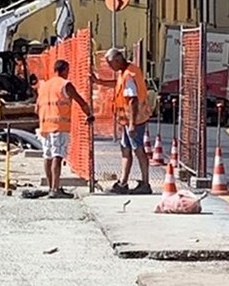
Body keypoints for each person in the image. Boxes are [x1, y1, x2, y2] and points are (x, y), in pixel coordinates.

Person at [91, 48, 153, 195]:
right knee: (126, 149)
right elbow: (117, 83)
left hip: (135, 120)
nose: (111, 67)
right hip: (128, 121)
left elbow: (132, 100)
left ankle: (145, 183)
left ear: (118, 60)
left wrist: (132, 124)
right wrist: (99, 81)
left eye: (111, 64)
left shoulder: (129, 75)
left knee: (138, 149)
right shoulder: (124, 73)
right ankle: (123, 182)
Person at [36, 60, 94, 199]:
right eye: (68, 70)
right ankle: (56, 189)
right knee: (58, 155)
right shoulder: (65, 84)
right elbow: (80, 101)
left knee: (47, 155)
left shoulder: (44, 86)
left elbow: (36, 108)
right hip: (59, 126)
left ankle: (51, 187)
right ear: (64, 70)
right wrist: (89, 115)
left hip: (45, 126)